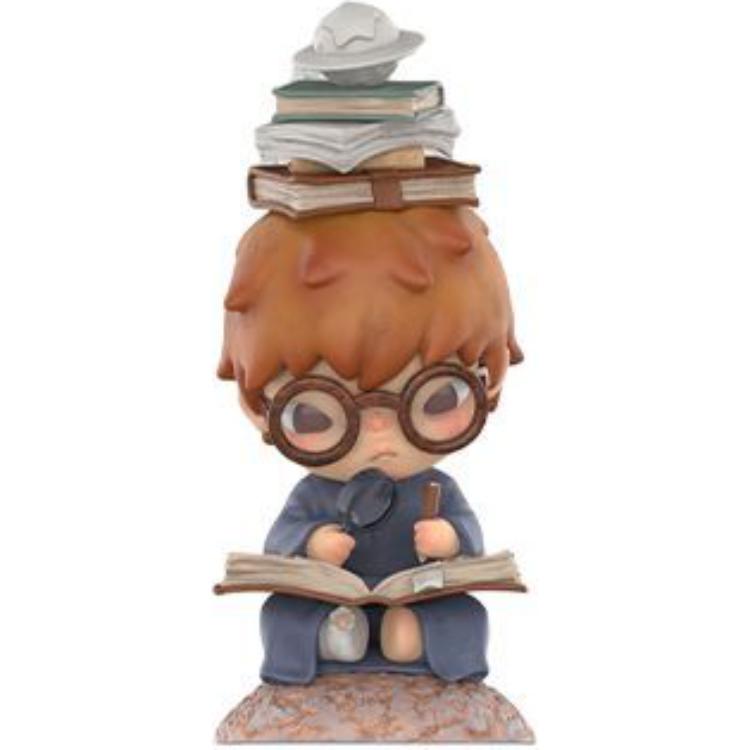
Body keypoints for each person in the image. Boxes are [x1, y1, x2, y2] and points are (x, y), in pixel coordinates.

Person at [218, 206, 522, 684]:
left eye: (437, 399)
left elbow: (468, 537)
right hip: (331, 597)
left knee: (462, 615)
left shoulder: (437, 488)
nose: (379, 432)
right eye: (316, 414)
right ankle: (337, 633)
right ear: (258, 405)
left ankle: (409, 636)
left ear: (489, 382)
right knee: (282, 614)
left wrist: (449, 539)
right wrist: (311, 544)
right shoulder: (313, 494)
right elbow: (282, 541)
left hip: (419, 595)